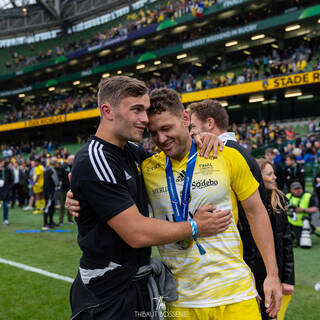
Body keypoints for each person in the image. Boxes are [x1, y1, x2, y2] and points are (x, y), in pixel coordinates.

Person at [68, 76, 231, 320]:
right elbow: (137, 234)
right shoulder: (95, 159)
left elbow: (174, 156)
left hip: (136, 284)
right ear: (107, 111)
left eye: (145, 110)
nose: (145, 119)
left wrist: (200, 135)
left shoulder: (131, 153)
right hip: (107, 294)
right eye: (136, 110)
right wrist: (195, 226)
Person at [141, 89, 281, 320]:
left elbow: (257, 213)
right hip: (181, 301)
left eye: (166, 128)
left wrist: (272, 274)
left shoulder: (225, 155)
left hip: (234, 294)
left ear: (185, 118)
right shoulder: (146, 169)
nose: (161, 139)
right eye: (153, 132)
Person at [184, 99, 283, 319]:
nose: (190, 133)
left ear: (209, 123)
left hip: (243, 263)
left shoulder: (228, 154)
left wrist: (254, 267)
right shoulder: (238, 151)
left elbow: (254, 216)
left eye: (193, 126)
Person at [256, 158, 295, 320]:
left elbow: (286, 242)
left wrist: (288, 279)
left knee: (270, 315)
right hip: (250, 274)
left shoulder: (278, 202)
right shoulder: (245, 206)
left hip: (271, 274)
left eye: (273, 173)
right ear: (258, 177)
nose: (275, 177)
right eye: (269, 174)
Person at [43, 157, 59, 230]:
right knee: (48, 207)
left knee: (51, 207)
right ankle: (45, 224)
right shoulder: (52, 171)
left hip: (47, 191)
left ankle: (51, 222)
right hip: (50, 191)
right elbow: (56, 182)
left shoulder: (46, 170)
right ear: (55, 163)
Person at [58, 154, 74, 225]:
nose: (71, 161)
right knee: (62, 205)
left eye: (72, 160)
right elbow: (60, 176)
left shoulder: (75, 166)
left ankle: (70, 220)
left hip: (72, 189)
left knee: (70, 205)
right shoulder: (63, 167)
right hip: (63, 189)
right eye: (70, 159)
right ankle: (61, 221)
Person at [0, 158, 13, 225]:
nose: (1, 164)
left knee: (5, 205)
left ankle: (5, 219)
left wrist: (8, 187)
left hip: (5, 190)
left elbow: (11, 180)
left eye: (2, 162)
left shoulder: (7, 170)